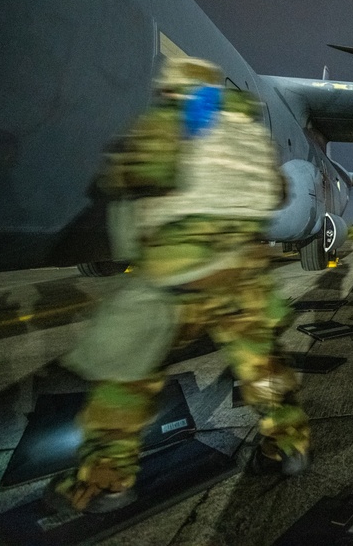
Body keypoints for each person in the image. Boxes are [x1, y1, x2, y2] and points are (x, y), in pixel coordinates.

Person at [44, 58, 311, 514]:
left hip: (179, 274)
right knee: (262, 367)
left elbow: (130, 175)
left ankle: (105, 481)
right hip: (242, 276)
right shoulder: (247, 132)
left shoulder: (171, 119)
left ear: (176, 88)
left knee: (125, 376)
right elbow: (277, 193)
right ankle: (287, 446)